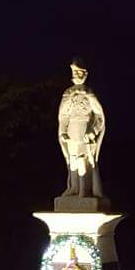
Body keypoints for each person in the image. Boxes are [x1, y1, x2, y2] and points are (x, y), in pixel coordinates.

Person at [58, 58, 106, 198]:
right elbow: (64, 115)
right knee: (72, 158)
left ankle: (84, 190)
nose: (76, 75)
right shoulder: (68, 93)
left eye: (79, 72)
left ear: (84, 74)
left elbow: (99, 116)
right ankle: (74, 187)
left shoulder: (89, 93)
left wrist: (93, 131)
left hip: (84, 128)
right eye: (74, 71)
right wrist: (63, 131)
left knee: (82, 159)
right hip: (72, 129)